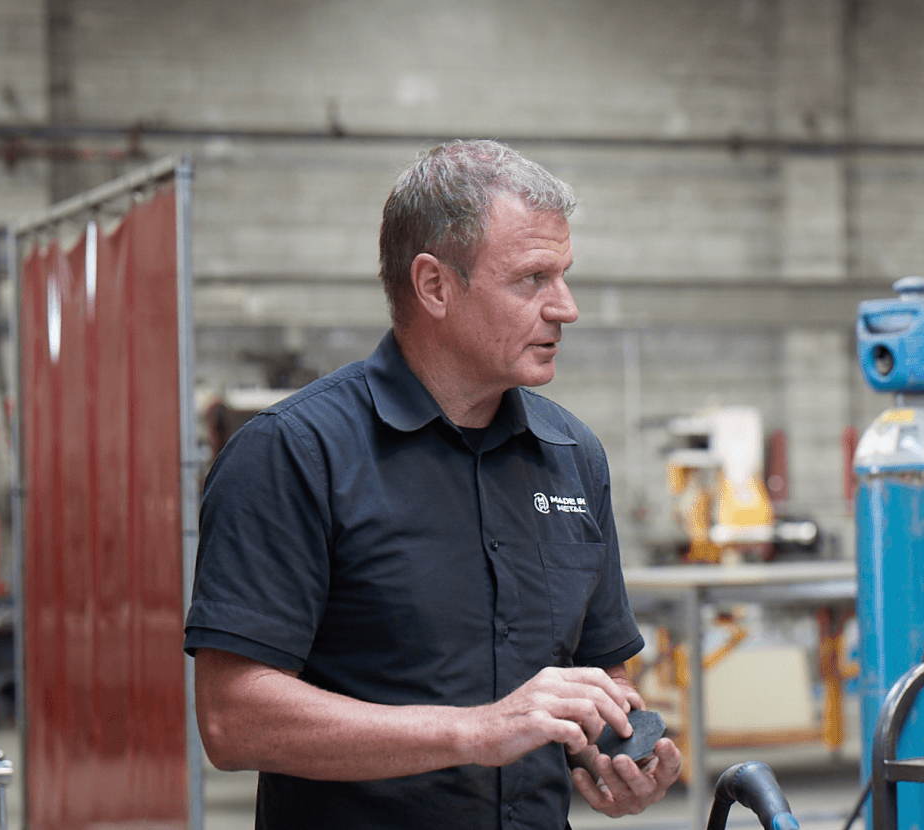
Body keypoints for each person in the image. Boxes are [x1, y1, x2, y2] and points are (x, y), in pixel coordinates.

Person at [184, 139, 682, 828]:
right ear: (434, 286)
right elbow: (232, 717)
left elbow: (605, 672)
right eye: (532, 279)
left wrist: (614, 752)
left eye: (564, 275)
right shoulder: (294, 454)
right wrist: (477, 731)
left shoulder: (573, 456)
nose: (565, 306)